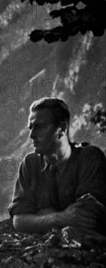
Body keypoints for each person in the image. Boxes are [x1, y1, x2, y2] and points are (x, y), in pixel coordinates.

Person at [9, 97, 106, 234]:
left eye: (39, 127)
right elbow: (19, 221)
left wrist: (43, 216)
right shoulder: (30, 164)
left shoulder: (89, 157)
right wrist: (62, 218)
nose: (31, 135)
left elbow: (88, 216)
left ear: (62, 128)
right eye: (31, 128)